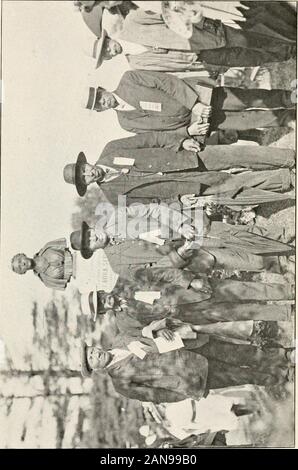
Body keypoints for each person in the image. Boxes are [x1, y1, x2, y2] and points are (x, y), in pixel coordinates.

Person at [80, 335, 292, 403]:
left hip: (192, 346)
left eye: (91, 350)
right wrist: (184, 390)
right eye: (91, 359)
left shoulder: (122, 337)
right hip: (193, 376)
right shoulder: (121, 383)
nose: (95, 354)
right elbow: (157, 396)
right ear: (96, 369)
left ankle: (284, 356)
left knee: (240, 352)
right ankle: (283, 375)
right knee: (242, 374)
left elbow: (150, 332)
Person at [84, 71, 295, 136]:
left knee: (245, 99)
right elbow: (160, 135)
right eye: (99, 105)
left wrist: (194, 104)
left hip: (199, 96)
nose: (103, 102)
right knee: (245, 121)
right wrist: (189, 131)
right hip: (198, 122)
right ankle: (288, 119)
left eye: (99, 96)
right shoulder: (126, 123)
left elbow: (166, 82)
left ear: (102, 89)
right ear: (100, 110)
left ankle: (288, 98)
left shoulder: (129, 79)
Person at [63, 151, 295, 206]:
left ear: (87, 163)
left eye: (85, 169)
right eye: (85, 178)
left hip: (182, 158)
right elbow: (151, 205)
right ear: (87, 184)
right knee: (233, 184)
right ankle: (286, 179)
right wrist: (178, 202)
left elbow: (151, 139)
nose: (89, 173)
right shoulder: (114, 196)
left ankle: (288, 157)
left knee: (236, 155)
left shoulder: (112, 150)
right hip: (181, 187)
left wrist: (182, 141)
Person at [105, 8, 296, 68]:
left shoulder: (133, 22)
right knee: (250, 59)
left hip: (206, 35)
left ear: (107, 39)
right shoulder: (135, 62)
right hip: (203, 57)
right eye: (106, 55)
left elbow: (168, 12)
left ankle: (292, 47)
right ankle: (288, 55)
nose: (110, 51)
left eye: (106, 47)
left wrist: (203, 23)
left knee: (251, 40)